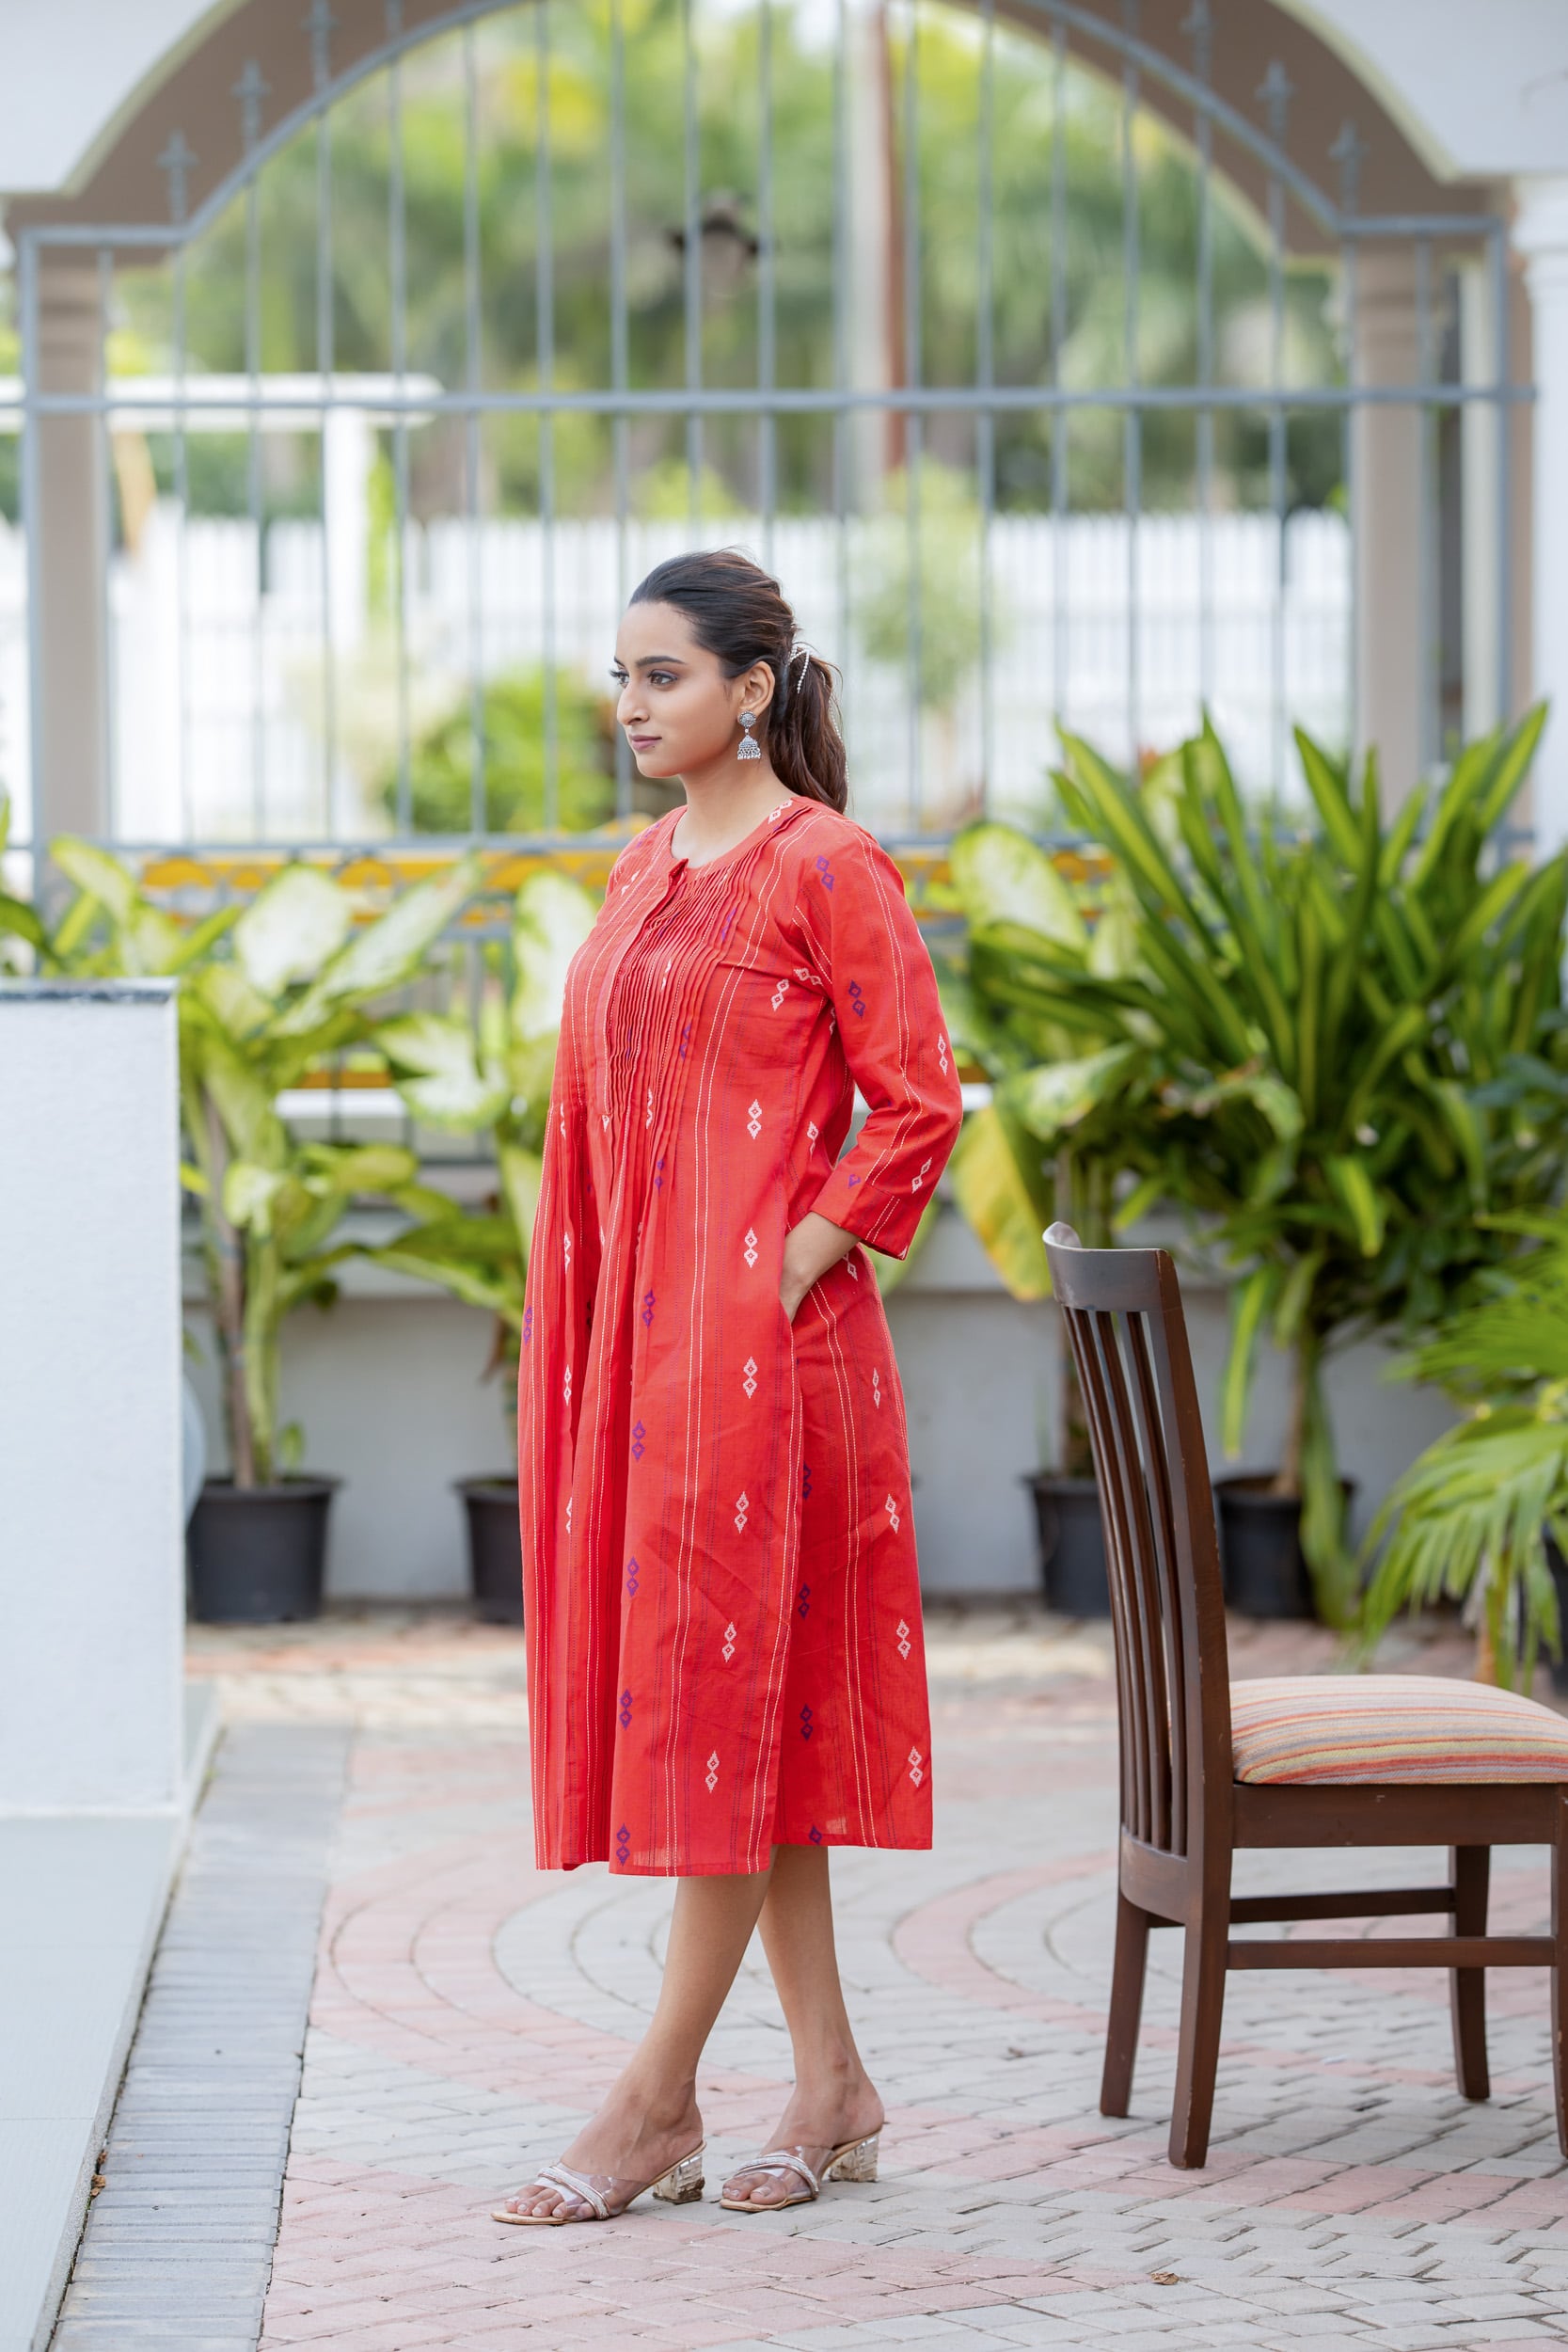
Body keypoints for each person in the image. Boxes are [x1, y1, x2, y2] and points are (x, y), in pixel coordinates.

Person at [496, 548, 963, 2226]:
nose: (630, 705)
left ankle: (652, 2102)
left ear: (752, 689)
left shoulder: (824, 865)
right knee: (736, 1723)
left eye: (664, 676)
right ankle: (832, 2084)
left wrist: (787, 1268)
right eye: (620, 677)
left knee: (713, 1717)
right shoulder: (643, 870)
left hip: (768, 1375)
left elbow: (917, 1103)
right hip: (651, 1364)